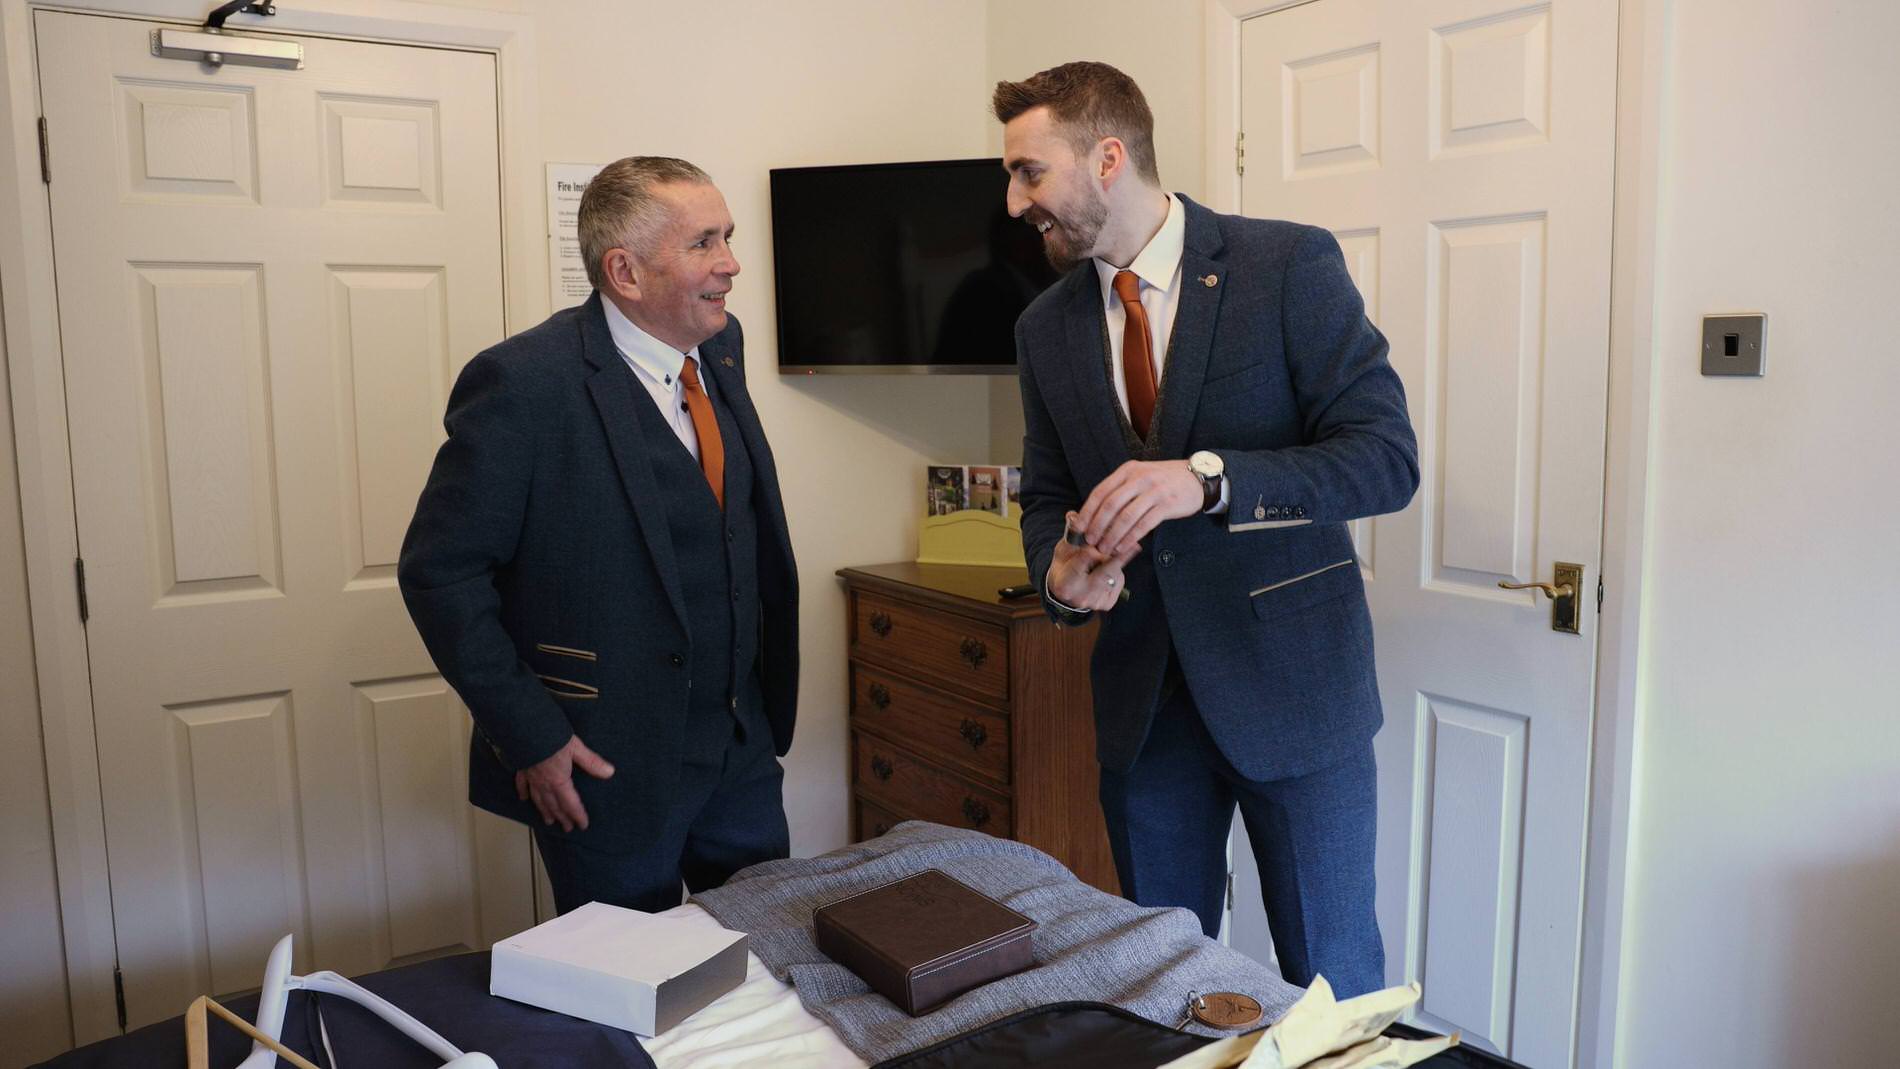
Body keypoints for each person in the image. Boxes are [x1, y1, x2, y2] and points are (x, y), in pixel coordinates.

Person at [993, 62, 1418, 997]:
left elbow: (1386, 458)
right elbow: (1045, 496)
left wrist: (1208, 480)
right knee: (1160, 986)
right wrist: (1060, 581)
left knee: (1333, 983)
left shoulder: (1287, 266)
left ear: (1108, 156)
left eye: (1030, 171)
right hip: (1144, 715)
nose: (1016, 199)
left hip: (1298, 698)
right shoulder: (1042, 327)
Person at [398, 156, 798, 915]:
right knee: (625, 1009)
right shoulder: (524, 384)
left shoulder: (722, 346)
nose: (732, 263)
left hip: (740, 752)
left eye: (728, 237)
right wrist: (531, 735)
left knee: (763, 969)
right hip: (602, 766)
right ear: (625, 271)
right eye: (705, 243)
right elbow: (439, 574)